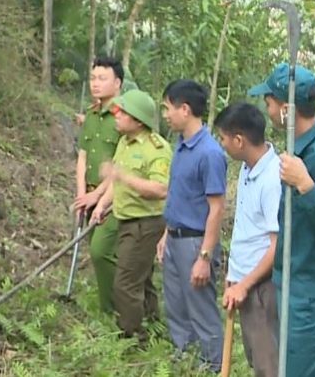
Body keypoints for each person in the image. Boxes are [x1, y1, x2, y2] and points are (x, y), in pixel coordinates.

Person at [248, 63, 315, 377]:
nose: (265, 108)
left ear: (285, 109)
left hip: (310, 289)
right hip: (291, 280)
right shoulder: (298, 150)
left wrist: (306, 185)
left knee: (303, 370)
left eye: (268, 102)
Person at [89, 90, 172, 342]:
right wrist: (102, 205)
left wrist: (123, 176)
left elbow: (161, 189)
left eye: (123, 112)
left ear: (138, 120)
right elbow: (116, 183)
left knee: (125, 283)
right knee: (141, 278)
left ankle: (131, 335)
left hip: (145, 223)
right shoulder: (124, 142)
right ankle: (153, 325)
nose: (116, 115)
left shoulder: (156, 149)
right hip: (125, 219)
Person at [157, 78, 226, 373]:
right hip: (174, 238)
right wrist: (165, 234)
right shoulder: (180, 145)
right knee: (176, 308)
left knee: (202, 312)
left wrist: (204, 257)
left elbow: (216, 208)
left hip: (196, 243)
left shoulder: (209, 153)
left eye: (167, 108)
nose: (165, 114)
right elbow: (176, 193)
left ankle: (212, 367)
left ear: (184, 109)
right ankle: (184, 361)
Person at [214, 102, 282, 377]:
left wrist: (245, 283)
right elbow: (247, 231)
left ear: (239, 140)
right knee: (256, 358)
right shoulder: (246, 169)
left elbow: (276, 247)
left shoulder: (272, 180)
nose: (222, 144)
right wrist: (234, 274)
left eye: (223, 138)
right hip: (243, 282)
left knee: (269, 366)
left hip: (261, 287)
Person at [70, 57, 124, 314]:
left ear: (117, 83)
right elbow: (82, 156)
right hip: (90, 193)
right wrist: (82, 193)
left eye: (102, 78)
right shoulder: (90, 115)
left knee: (101, 251)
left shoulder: (124, 118)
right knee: (98, 253)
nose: (96, 83)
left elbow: (122, 165)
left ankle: (115, 311)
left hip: (114, 197)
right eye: (92, 78)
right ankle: (111, 311)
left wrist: (98, 197)